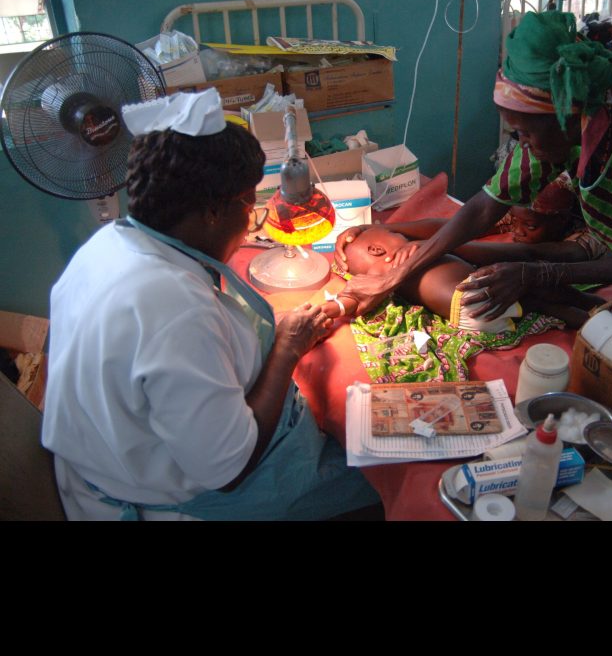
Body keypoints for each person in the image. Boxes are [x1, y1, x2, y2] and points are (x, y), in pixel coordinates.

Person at [42, 89, 380, 521]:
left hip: (112, 458)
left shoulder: (109, 244)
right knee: (379, 479)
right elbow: (229, 468)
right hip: (175, 500)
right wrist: (286, 349)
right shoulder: (175, 309)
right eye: (249, 203)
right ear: (213, 213)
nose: (253, 219)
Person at [336, 10, 612, 320]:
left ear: (573, 117)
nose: (522, 146)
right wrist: (397, 273)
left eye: (527, 133)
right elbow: (482, 208)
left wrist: (539, 277)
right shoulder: (560, 132)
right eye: (516, 132)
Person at [323, 225, 600, 329]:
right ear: (375, 248)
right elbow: (440, 233)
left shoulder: (371, 276)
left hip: (462, 311)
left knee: (537, 304)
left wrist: (331, 308)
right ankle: (590, 308)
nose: (405, 237)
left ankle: (585, 310)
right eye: (397, 235)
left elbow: (350, 300)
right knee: (542, 296)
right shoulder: (414, 251)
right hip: (476, 290)